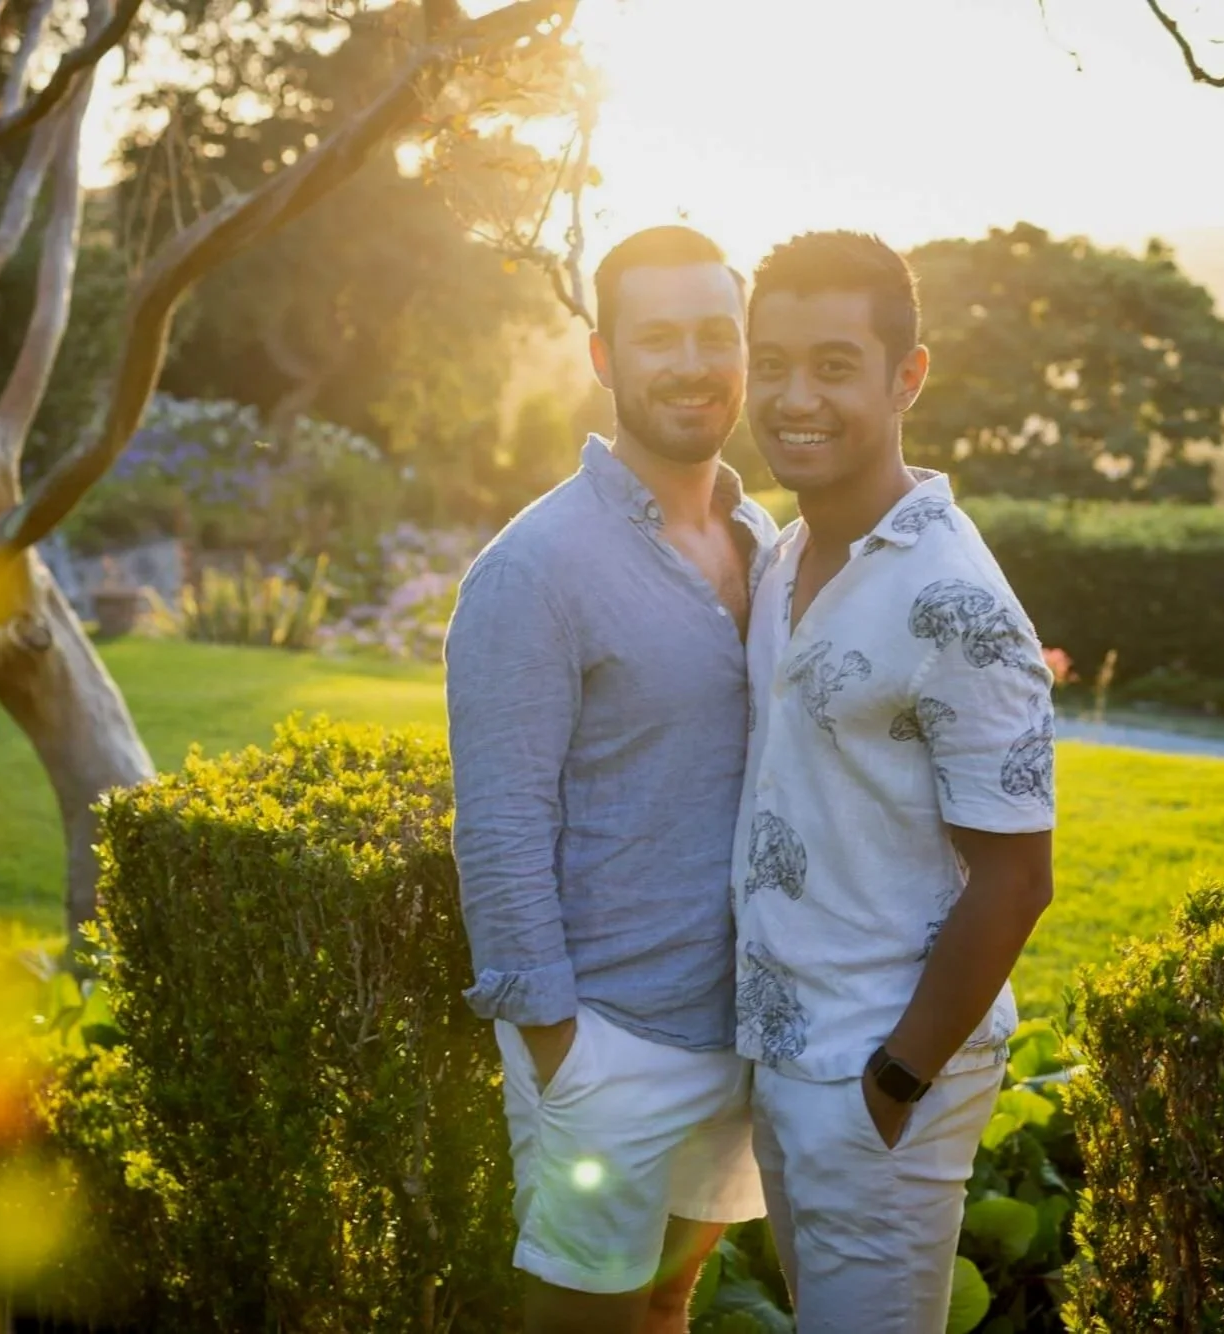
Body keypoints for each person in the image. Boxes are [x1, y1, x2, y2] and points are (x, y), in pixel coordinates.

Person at [445, 225, 776, 1334]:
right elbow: (497, 831)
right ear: (602, 355)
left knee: (668, 1309)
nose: (691, 362)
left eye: (714, 333)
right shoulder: (532, 569)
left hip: (740, 1033)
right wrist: (561, 1055)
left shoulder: (761, 537)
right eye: (659, 337)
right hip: (609, 1041)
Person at [733, 230, 1057, 1331]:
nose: (792, 396)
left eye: (832, 363)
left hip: (879, 1069)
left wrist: (895, 1083)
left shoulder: (954, 599)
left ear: (904, 376)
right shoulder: (785, 554)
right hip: (783, 1049)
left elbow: (1015, 879)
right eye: (768, 361)